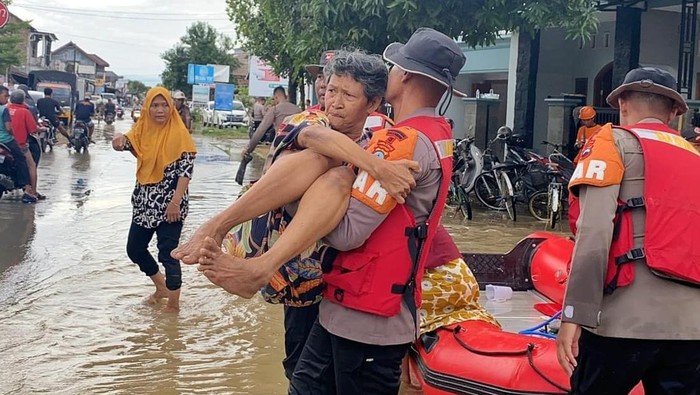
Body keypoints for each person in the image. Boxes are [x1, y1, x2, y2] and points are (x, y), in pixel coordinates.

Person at [190, 27, 461, 393]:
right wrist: (368, 169)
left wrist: (317, 201)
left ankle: (254, 265)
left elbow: (351, 232)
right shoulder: (434, 133)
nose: (334, 100)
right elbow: (318, 141)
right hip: (344, 299)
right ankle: (222, 232)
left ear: (398, 82)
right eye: (331, 90)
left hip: (361, 310)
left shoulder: (400, 139)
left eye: (347, 94)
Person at [557, 67, 700, 394]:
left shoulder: (610, 142)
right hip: (691, 331)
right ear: (675, 111)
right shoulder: (695, 156)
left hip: (621, 324)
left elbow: (593, 232)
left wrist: (574, 314)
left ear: (622, 102)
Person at [111, 87, 197, 313]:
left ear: (171, 107)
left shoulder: (180, 134)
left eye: (164, 105)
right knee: (135, 249)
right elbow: (125, 143)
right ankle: (161, 287)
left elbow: (185, 172)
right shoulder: (142, 130)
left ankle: (174, 306)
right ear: (147, 108)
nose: (160, 110)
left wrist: (175, 202)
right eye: (155, 105)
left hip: (171, 205)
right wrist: (117, 140)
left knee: (168, 253)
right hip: (143, 202)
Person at [243, 86, 301, 157]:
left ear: (276, 97)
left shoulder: (274, 110)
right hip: (297, 149)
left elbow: (261, 130)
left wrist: (248, 149)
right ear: (286, 96)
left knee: (268, 165)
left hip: (279, 147)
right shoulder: (298, 110)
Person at [7, 90, 43, 203]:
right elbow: (33, 129)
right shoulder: (24, 112)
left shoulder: (5, 109)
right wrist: (42, 129)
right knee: (31, 166)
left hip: (4, 144)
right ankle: (32, 191)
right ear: (23, 100)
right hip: (19, 144)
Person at [0, 86, 32, 202]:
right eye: (5, 96)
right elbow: (8, 128)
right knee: (21, 159)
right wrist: (13, 134)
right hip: (6, 140)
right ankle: (25, 187)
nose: (7, 98)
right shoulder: (4, 110)